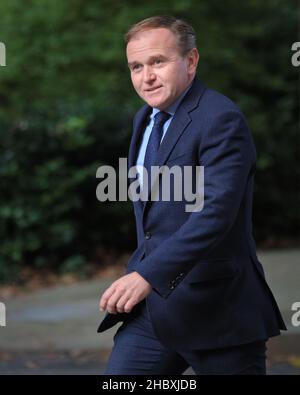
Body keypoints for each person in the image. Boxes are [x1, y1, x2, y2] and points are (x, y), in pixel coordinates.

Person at [97, 15, 286, 375]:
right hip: (152, 314)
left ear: (191, 60)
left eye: (158, 62)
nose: (146, 76)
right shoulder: (145, 119)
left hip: (218, 313)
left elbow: (215, 213)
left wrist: (147, 274)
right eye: (136, 66)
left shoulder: (221, 119)